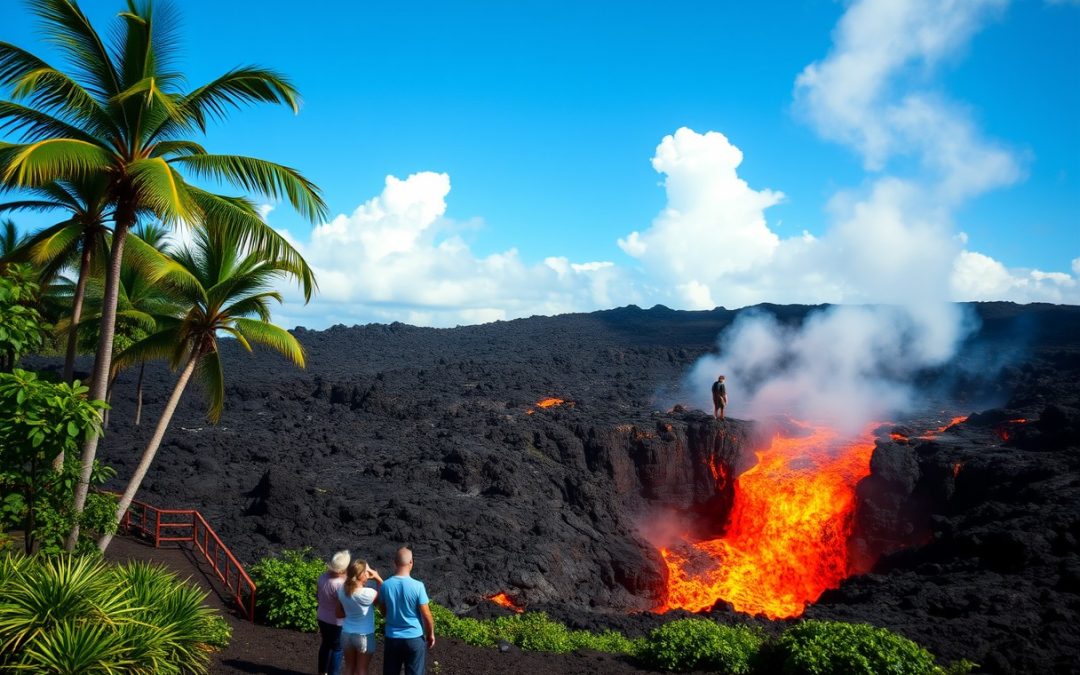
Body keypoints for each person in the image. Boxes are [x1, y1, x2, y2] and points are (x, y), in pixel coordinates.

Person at [380, 547, 435, 675]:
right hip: (414, 638)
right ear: (411, 562)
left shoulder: (385, 585)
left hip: (392, 638)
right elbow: (426, 614)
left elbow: (383, 612)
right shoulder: (418, 586)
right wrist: (430, 634)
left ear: (394, 563)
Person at [336, 559, 383, 675]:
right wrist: (377, 578)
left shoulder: (342, 591)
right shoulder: (369, 593)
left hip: (346, 633)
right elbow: (384, 597)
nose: (369, 574)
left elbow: (338, 614)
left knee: (349, 668)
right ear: (361, 575)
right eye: (367, 571)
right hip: (364, 635)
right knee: (361, 670)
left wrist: (351, 611)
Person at [317, 550, 351, 675]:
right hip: (337, 622)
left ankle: (322, 672)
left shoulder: (322, 578)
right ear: (343, 569)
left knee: (325, 644)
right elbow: (345, 605)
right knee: (337, 649)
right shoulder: (341, 585)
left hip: (322, 617)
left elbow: (318, 596)